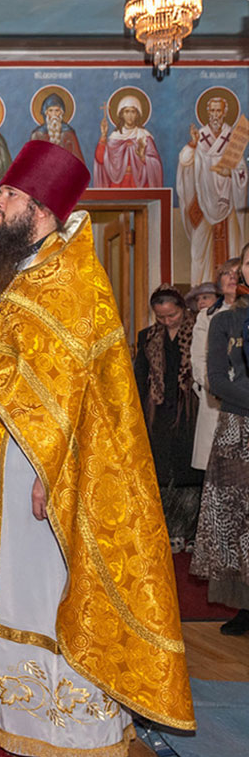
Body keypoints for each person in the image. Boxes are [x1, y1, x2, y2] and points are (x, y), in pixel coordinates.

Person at [0, 140, 193, 757]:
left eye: (8, 196)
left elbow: (71, 385)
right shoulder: (19, 267)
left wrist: (53, 468)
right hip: (1, 452)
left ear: (36, 206)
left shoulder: (72, 277)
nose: (0, 205)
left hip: (42, 464)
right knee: (10, 579)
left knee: (41, 583)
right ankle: (13, 705)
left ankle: (65, 723)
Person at [192, 244, 249, 636]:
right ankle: (245, 605)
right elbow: (216, 378)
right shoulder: (225, 321)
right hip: (237, 430)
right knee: (236, 523)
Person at [134, 287, 203, 549]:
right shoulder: (148, 337)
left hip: (191, 409)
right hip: (159, 409)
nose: (167, 321)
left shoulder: (199, 330)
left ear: (183, 309)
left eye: (172, 315)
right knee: (162, 469)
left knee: (192, 469)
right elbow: (140, 376)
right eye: (161, 317)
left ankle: (194, 532)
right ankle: (171, 530)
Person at [177, 95, 249, 285]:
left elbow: (241, 170)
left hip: (229, 205)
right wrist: (192, 144)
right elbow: (185, 161)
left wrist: (231, 172)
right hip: (202, 204)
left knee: (231, 248)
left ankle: (232, 289)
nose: (216, 115)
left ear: (225, 113)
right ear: (207, 113)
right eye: (213, 111)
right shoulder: (199, 137)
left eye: (219, 110)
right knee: (200, 250)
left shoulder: (233, 139)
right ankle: (199, 289)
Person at [191, 259, 240, 471]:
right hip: (217, 398)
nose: (232, 278)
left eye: (238, 273)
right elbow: (199, 359)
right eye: (227, 273)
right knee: (221, 471)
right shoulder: (207, 317)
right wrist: (215, 385)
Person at [93, 94, 163, 188]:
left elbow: (156, 164)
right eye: (126, 112)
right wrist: (103, 135)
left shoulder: (145, 136)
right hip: (118, 185)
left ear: (138, 114)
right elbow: (100, 159)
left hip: (140, 185)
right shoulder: (115, 137)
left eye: (133, 112)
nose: (130, 115)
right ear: (121, 114)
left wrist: (143, 157)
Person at [29, 92, 84, 162]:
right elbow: (31, 161)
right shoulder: (37, 135)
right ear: (46, 113)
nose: (54, 114)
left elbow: (78, 161)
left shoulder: (69, 133)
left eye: (57, 110)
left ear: (61, 112)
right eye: (50, 110)